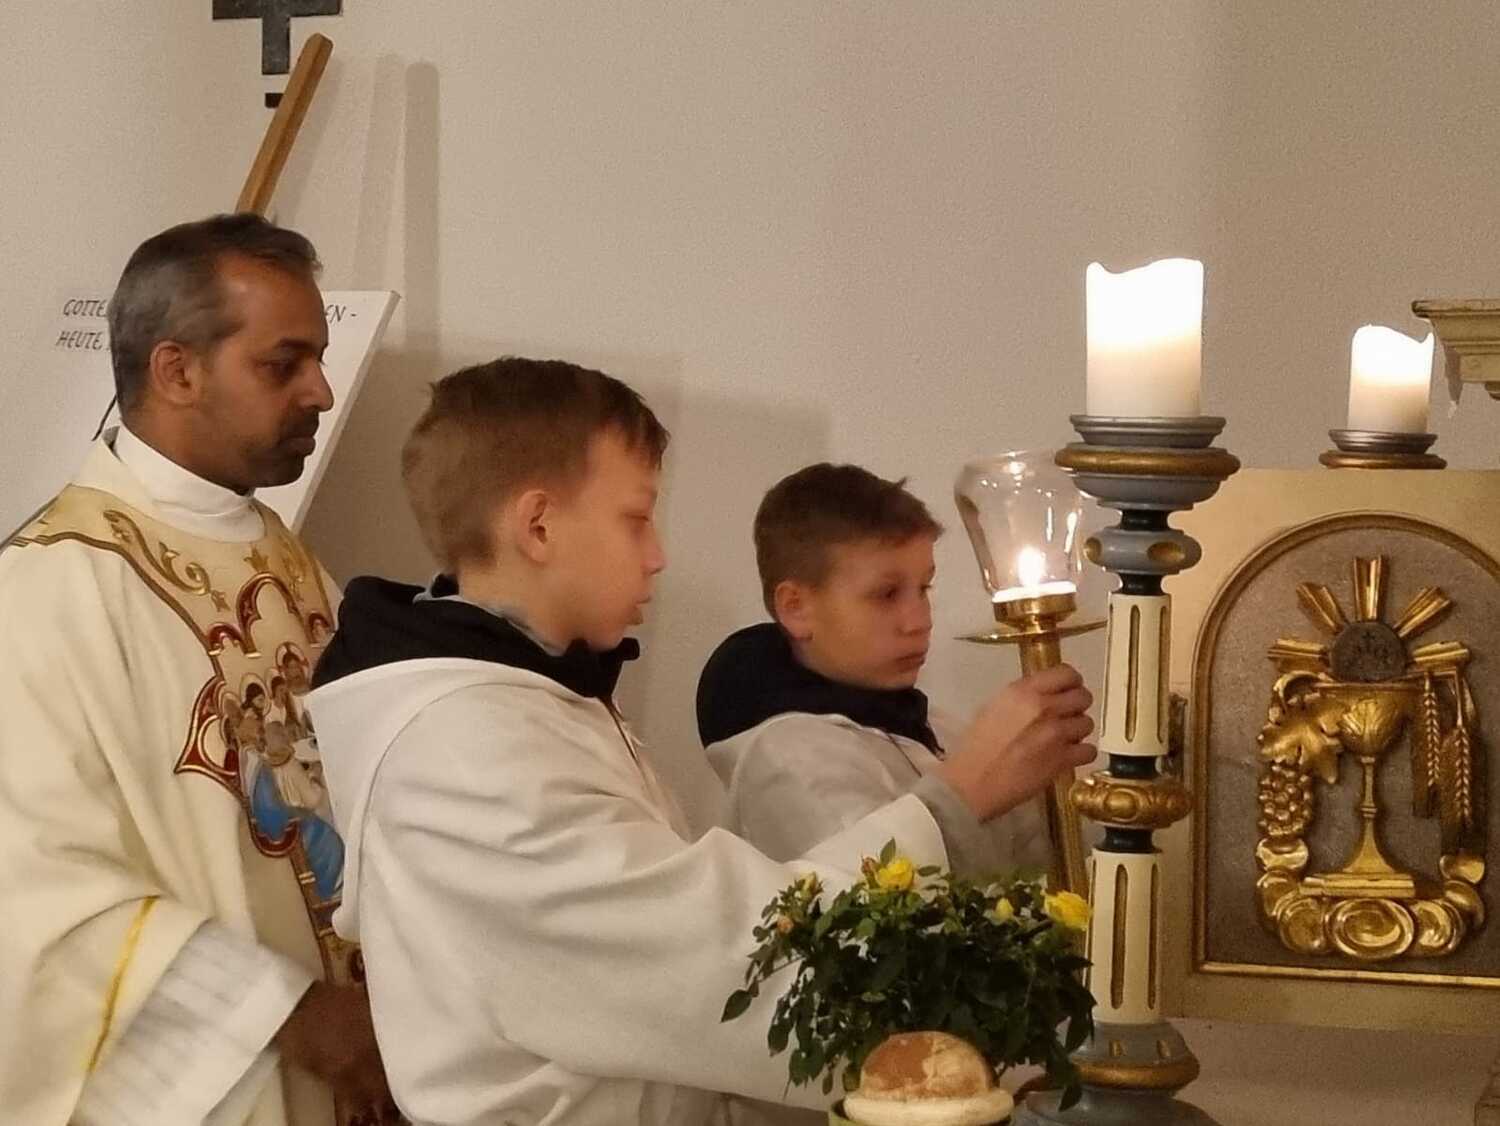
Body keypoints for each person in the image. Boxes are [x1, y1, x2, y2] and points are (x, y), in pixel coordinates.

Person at [306, 356, 1095, 1125]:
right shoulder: (466, 752)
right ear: (538, 525)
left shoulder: (533, 700)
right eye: (636, 517)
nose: (658, 555)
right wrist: (956, 802)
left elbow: (706, 928)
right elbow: (717, 969)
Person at [0, 214, 391, 1126]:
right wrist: (289, 1012)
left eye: (318, 358)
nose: (322, 390)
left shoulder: (281, 555)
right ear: (177, 371)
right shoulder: (52, 588)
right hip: (237, 1074)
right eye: (284, 364)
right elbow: (31, 884)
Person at [697, 463, 1054, 873]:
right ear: (796, 608)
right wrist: (976, 782)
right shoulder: (787, 761)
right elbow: (879, 899)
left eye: (924, 588)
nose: (919, 621)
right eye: (886, 594)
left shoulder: (934, 726)